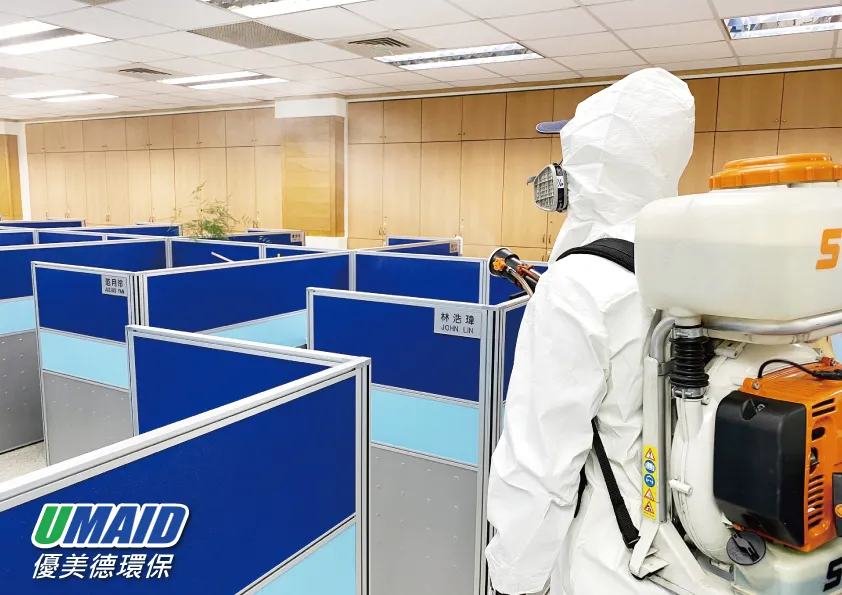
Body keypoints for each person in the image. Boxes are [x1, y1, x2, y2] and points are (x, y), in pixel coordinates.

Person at [485, 68, 695, 595]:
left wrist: (512, 579)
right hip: (691, 556)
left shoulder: (579, 285)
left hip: (609, 562)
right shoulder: (691, 260)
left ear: (589, 161)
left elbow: (539, 465)